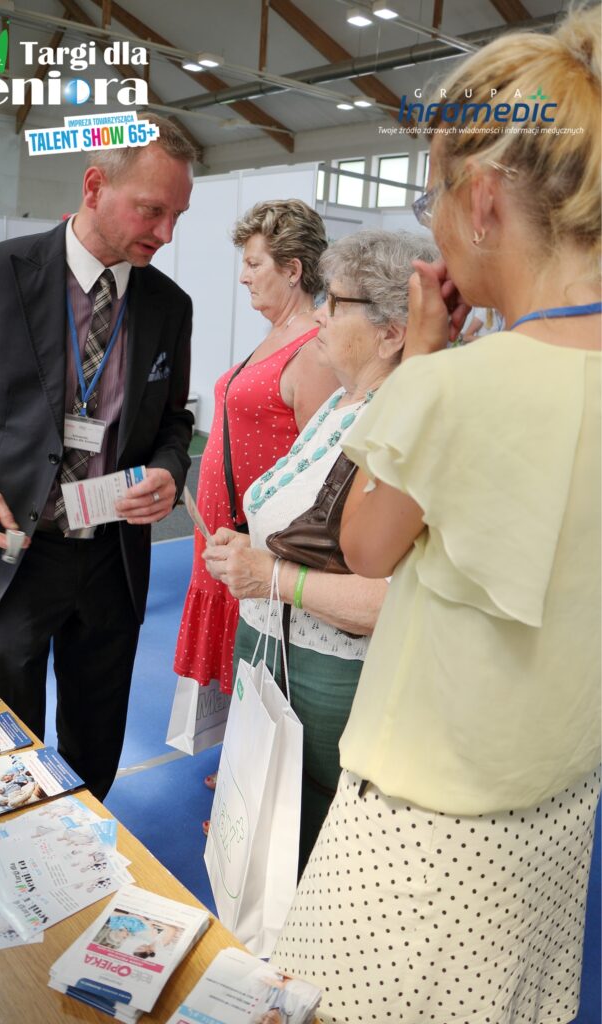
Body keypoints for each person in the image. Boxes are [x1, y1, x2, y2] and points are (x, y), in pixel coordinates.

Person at [272, 9, 601, 1022]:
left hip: (419, 837)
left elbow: (365, 545)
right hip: (556, 807)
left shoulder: (452, 386)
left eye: (434, 198)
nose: (437, 227)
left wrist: (420, 358)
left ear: (484, 199)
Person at [0, 115, 196, 800]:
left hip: (111, 560)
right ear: (94, 187)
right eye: (152, 210)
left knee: (95, 748)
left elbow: (173, 421)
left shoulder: (169, 305)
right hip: (13, 551)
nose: (166, 233)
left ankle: (85, 850)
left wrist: (170, 468)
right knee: (3, 752)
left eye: (177, 215)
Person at [205, 230, 438, 870]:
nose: (318, 315)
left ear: (391, 334)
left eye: (335, 303)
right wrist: (255, 549)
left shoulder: (399, 425)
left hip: (327, 675)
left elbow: (390, 600)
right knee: (267, 840)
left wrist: (272, 574)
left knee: (315, 850)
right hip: (277, 656)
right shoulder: (341, 401)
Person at [172, 200, 336, 797]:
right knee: (248, 661)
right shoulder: (277, 338)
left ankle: (261, 790)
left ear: (293, 270)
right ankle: (248, 771)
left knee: (268, 662)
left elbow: (320, 463)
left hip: (260, 540)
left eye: (254, 263)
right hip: (231, 533)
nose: (243, 276)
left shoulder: (313, 348)